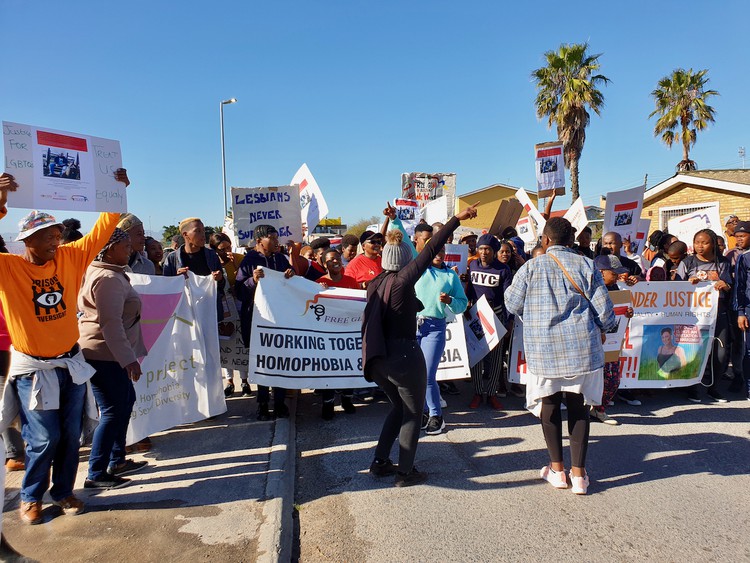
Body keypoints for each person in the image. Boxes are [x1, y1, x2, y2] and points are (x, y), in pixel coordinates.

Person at [0, 169, 128, 524]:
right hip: (34, 371)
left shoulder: (70, 259)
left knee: (70, 435)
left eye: (57, 236)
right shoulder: (8, 269)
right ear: (27, 240)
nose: (55, 243)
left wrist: (114, 191)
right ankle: (30, 496)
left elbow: (103, 229)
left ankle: (63, 491)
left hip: (70, 364)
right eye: (46, 238)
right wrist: (0, 202)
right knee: (44, 437)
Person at [362, 203, 477, 487]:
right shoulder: (402, 282)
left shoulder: (376, 282)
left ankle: (379, 462)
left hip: (378, 360)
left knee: (398, 409)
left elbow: (419, 252)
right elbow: (428, 251)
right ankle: (405, 472)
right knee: (413, 413)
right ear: (404, 261)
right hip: (402, 356)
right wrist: (455, 220)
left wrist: (394, 225)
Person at [505, 217, 616, 495]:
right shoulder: (587, 265)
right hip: (582, 347)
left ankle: (557, 470)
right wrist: (604, 328)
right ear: (572, 241)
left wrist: (533, 316)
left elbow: (511, 303)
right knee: (579, 408)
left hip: (544, 349)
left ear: (545, 240)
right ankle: (579, 476)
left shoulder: (530, 267)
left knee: (550, 406)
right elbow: (606, 312)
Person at [78, 228, 148, 489]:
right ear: (109, 248)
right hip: (105, 355)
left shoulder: (111, 274)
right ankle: (96, 472)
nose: (130, 249)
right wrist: (128, 359)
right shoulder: (108, 278)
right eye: (125, 245)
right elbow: (110, 324)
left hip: (109, 354)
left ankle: (117, 459)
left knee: (125, 402)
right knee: (111, 411)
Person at [235, 225, 295, 420]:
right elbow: (239, 292)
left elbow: (294, 283)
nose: (277, 241)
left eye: (277, 237)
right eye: (272, 237)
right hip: (257, 320)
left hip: (279, 319)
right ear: (259, 240)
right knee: (261, 362)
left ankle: (279, 402)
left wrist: (290, 276)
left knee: (279, 360)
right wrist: (252, 280)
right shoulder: (249, 262)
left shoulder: (280, 259)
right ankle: (262, 403)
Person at [414, 246, 467, 434]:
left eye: (442, 250)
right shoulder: (419, 267)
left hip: (435, 327)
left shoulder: (450, 276)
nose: (438, 254)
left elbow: (462, 303)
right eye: (435, 249)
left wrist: (450, 301)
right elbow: (402, 238)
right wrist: (394, 219)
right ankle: (425, 412)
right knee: (416, 375)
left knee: (428, 375)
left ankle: (437, 416)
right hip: (413, 327)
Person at [675, 229, 731, 403]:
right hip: (695, 316)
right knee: (694, 352)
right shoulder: (688, 262)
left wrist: (725, 285)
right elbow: (675, 288)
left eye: (704, 242)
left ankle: (713, 388)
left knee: (720, 354)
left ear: (713, 244)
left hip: (718, 314)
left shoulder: (722, 263)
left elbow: (730, 287)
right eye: (697, 242)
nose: (700, 246)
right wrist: (687, 284)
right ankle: (693, 388)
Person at [466, 234, 513, 408]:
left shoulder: (503, 269)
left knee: (495, 357)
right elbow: (470, 291)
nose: (484, 252)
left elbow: (508, 297)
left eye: (488, 249)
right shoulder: (472, 265)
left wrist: (509, 320)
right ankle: (478, 392)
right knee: (476, 355)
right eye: (481, 248)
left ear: (494, 251)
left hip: (496, 315)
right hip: (477, 316)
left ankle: (492, 393)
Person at [590, 255, 634, 426]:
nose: (617, 276)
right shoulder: (588, 289)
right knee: (588, 380)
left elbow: (619, 315)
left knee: (612, 378)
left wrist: (627, 315)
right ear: (601, 272)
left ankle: (599, 409)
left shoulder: (616, 288)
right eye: (614, 273)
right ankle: (583, 410)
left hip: (610, 343)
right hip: (591, 342)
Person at [316, 249, 359, 419]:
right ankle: (328, 404)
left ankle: (347, 400)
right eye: (331, 260)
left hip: (348, 333)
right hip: (327, 335)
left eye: (338, 259)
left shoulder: (351, 281)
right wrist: (321, 293)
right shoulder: (318, 283)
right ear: (325, 264)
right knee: (329, 369)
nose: (336, 262)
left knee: (348, 366)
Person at [726, 222, 750, 393]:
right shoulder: (741, 257)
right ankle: (745, 383)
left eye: (743, 236)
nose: (739, 239)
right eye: (737, 236)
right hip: (745, 309)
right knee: (745, 348)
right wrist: (740, 311)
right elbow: (739, 287)